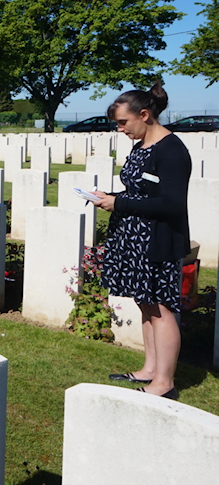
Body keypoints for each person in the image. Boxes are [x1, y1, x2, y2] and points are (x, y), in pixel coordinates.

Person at [94, 83, 191, 400]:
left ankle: (165, 382)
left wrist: (119, 204)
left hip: (158, 240)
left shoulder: (172, 151)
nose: (119, 129)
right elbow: (139, 192)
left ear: (145, 115)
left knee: (161, 308)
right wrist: (110, 198)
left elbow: (172, 204)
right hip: (135, 238)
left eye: (123, 122)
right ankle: (150, 368)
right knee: (145, 302)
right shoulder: (140, 146)